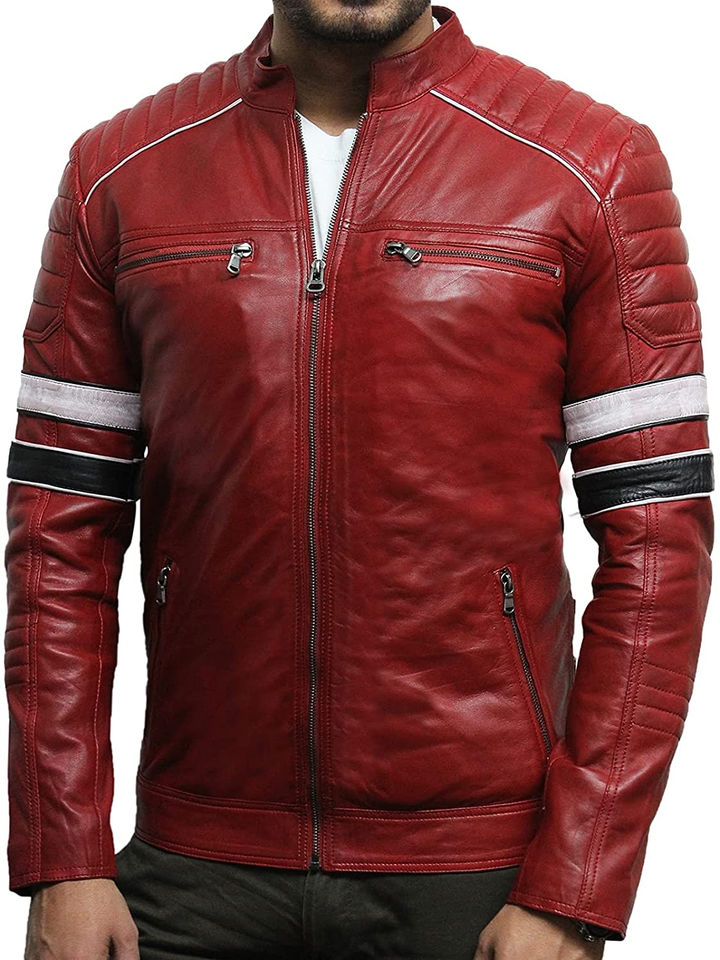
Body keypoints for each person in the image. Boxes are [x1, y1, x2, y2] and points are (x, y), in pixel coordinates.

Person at [4, 2, 713, 958]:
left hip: (484, 875)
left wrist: (575, 885)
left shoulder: (592, 163)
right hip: (189, 866)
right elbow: (57, 533)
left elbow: (661, 545)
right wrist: (63, 858)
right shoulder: (121, 171)